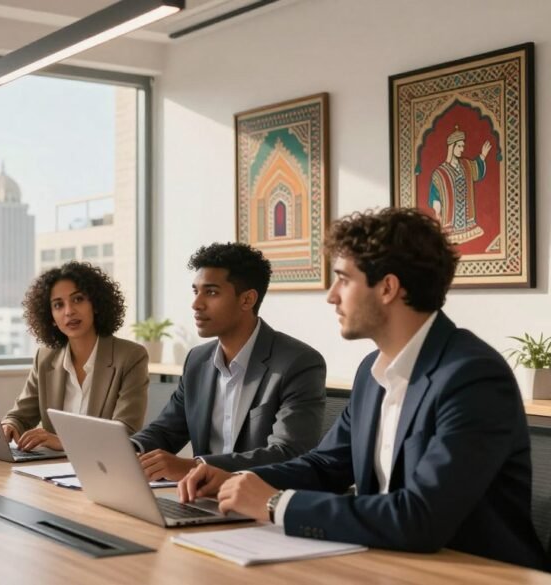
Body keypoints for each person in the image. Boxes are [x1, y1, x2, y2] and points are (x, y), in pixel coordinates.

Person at [181, 208, 545, 569]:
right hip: (387, 564)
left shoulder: (472, 377)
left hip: (473, 574)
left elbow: (421, 517)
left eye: (343, 279)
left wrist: (276, 504)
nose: (332, 296)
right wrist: (236, 478)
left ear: (387, 287)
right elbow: (325, 465)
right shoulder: (372, 371)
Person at [130, 243, 326, 481]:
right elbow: (166, 430)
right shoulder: (197, 360)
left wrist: (194, 467)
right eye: (196, 291)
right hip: (200, 498)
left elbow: (288, 453)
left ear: (247, 300)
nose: (196, 304)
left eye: (211, 292)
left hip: (261, 504)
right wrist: (130, 451)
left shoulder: (298, 363)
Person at [1, 261, 149, 452]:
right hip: (50, 469)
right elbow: (20, 415)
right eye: (58, 305)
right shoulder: (46, 358)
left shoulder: (130, 357)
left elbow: (125, 431)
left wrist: (63, 441)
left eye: (78, 299)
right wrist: (10, 425)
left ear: (95, 304)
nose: (69, 311)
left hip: (103, 469)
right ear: (51, 317)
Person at [428, 125, 493, 244]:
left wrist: (483, 155)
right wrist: (437, 211)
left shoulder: (466, 164)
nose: (462, 149)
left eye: (463, 146)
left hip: (469, 224)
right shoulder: (439, 173)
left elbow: (477, 171)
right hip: (449, 223)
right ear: (452, 147)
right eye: (459, 146)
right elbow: (434, 194)